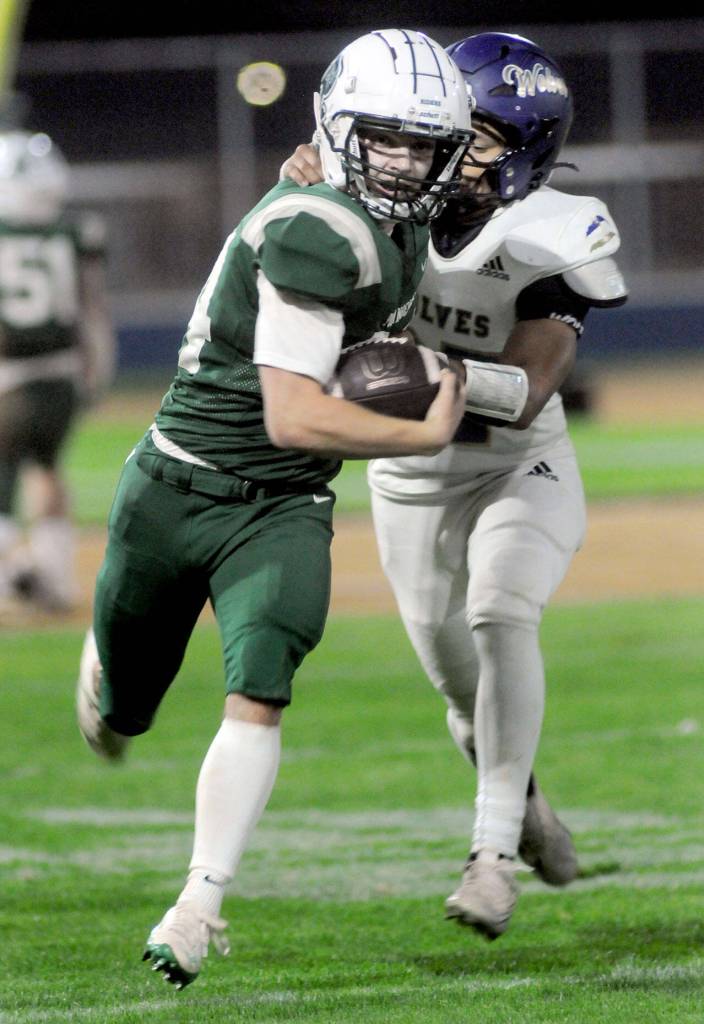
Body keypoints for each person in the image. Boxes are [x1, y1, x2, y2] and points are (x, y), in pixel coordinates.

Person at [75, 28, 472, 989]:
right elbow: (295, 416)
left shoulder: (397, 220)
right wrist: (422, 430)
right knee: (120, 715)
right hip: (175, 488)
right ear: (338, 129)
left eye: (422, 145)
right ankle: (106, 672)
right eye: (382, 139)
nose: (402, 162)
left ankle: (197, 906)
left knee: (261, 688)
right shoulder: (311, 227)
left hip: (283, 507)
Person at [282, 31, 628, 940]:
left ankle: (491, 857)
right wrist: (304, 201)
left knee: (501, 614)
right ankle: (527, 807)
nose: (444, 152)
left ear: (524, 154)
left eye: (475, 138)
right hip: (408, 481)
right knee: (458, 692)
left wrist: (424, 369)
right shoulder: (373, 198)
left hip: (518, 465)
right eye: (446, 130)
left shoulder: (554, 228)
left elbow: (532, 388)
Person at [0, 126, 114, 613]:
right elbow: (94, 313)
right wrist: (97, 373)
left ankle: (12, 578)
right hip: (62, 374)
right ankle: (54, 579)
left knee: (4, 480)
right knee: (47, 471)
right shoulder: (75, 232)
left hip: (8, 376)